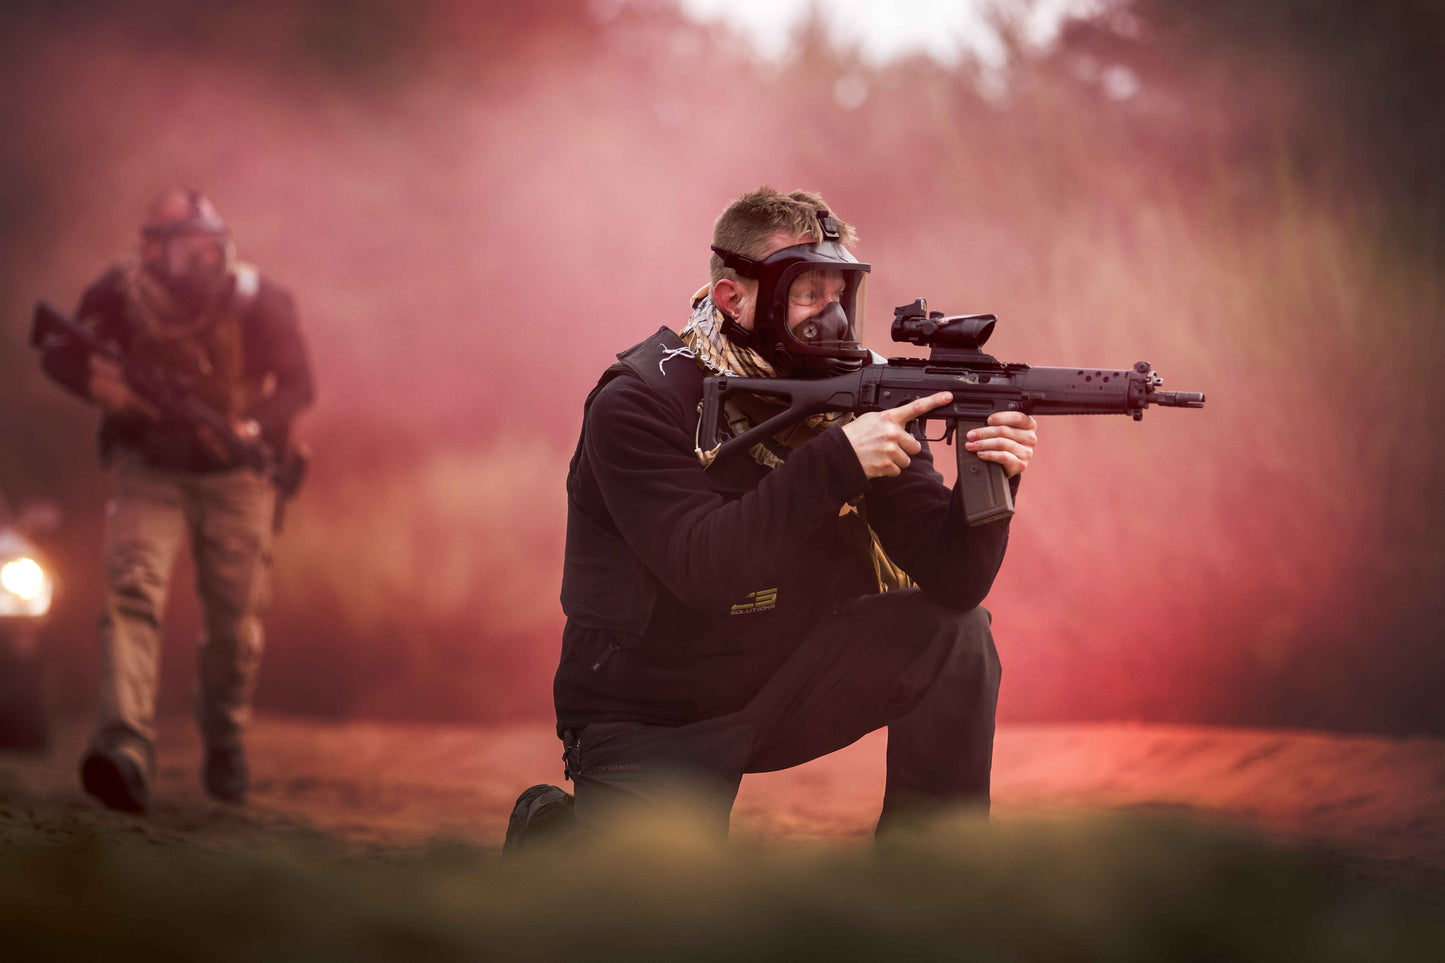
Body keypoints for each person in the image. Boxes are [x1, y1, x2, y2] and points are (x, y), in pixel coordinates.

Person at [508, 187, 1038, 846]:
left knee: (955, 633)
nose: (833, 315)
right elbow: (703, 567)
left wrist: (991, 482)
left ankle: (926, 891)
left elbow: (953, 580)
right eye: (807, 294)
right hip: (651, 710)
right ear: (735, 299)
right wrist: (837, 461)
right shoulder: (639, 403)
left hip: (783, 676)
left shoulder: (855, 394)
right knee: (648, 918)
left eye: (839, 292)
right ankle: (556, 841)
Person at [39, 187, 314, 812]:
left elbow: (300, 384)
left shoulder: (259, 299)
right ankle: (124, 747)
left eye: (211, 245)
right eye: (187, 246)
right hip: (149, 468)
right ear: (150, 247)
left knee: (234, 626)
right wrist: (106, 391)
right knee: (132, 593)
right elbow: (59, 353)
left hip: (238, 479)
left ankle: (224, 734)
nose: (204, 260)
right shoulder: (119, 292)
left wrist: (253, 426)